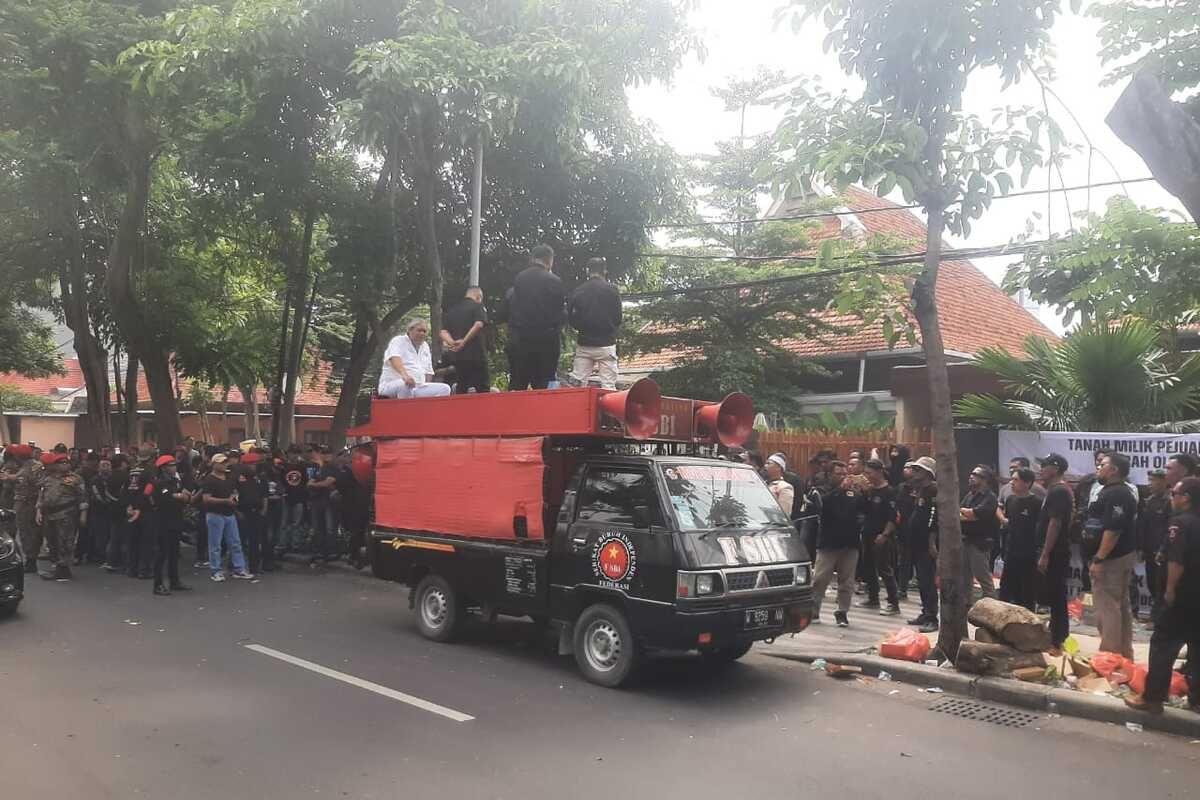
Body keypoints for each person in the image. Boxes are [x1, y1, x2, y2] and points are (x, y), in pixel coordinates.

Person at [1126, 477, 1200, 714]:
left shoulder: (1180, 524)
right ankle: (1196, 700)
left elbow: (1176, 561)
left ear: (1186, 498)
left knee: (1162, 646)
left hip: (1181, 597)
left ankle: (1153, 698)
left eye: (1175, 494)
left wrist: (1169, 590)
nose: (1172, 497)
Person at [1086, 452, 1139, 659]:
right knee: (1120, 607)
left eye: (1103, 464)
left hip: (1111, 559)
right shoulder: (1113, 491)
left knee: (1107, 608)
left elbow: (1113, 530)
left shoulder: (1118, 493)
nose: (1098, 466)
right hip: (1116, 557)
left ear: (1114, 470)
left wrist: (1099, 558)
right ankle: (1124, 655)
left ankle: (1109, 657)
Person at [811, 463, 864, 627]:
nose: (842, 476)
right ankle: (813, 610)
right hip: (828, 543)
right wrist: (840, 490)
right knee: (820, 579)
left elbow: (862, 510)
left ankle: (842, 612)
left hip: (850, 543)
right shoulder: (821, 491)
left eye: (844, 474)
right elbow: (824, 507)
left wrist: (867, 493)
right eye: (838, 474)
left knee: (847, 581)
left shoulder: (854, 494)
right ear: (831, 474)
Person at [508, 245, 567, 391]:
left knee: (519, 383)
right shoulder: (554, 280)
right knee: (544, 385)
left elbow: (514, 306)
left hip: (522, 340)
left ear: (532, 258)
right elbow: (560, 312)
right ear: (550, 260)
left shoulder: (519, 278)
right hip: (547, 342)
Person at [1034, 454, 1074, 649]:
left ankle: (1058, 637)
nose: (1041, 469)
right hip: (1053, 550)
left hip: (1055, 552)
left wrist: (1045, 554)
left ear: (1056, 469)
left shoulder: (1059, 491)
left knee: (1056, 594)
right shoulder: (1055, 490)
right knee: (1052, 593)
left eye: (1045, 465)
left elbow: (1055, 523)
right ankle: (1057, 633)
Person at [568, 257, 622, 388]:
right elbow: (618, 318)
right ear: (605, 271)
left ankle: (577, 408)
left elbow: (571, 317)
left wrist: (581, 327)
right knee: (608, 386)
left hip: (584, 344)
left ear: (588, 271)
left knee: (577, 385)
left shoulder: (578, 290)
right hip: (606, 344)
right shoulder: (612, 290)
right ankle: (608, 409)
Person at [34, 452, 87, 581]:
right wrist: (38, 511)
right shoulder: (48, 479)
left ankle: (64, 569)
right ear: (55, 465)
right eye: (61, 463)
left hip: (66, 513)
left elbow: (83, 497)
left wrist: (83, 515)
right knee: (52, 541)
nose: (65, 465)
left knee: (65, 541)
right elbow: (42, 496)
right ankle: (57, 565)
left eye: (66, 462)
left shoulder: (75, 479)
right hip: (49, 514)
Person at [202, 454, 254, 582]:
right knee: (215, 545)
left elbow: (235, 491)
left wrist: (234, 499)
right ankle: (216, 571)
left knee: (235, 543)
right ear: (214, 464)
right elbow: (206, 498)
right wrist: (225, 501)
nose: (224, 464)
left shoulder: (230, 477)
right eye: (221, 462)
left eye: (225, 461)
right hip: (215, 515)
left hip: (229, 514)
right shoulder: (209, 479)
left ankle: (239, 569)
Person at [903, 456, 939, 633]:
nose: (914, 473)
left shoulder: (933, 490)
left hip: (926, 543)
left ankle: (932, 617)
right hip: (916, 541)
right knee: (921, 580)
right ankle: (925, 612)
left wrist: (932, 543)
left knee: (928, 579)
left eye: (917, 470)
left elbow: (934, 517)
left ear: (927, 473)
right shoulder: (920, 490)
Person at [861, 458, 901, 615]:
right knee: (868, 566)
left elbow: (893, 517)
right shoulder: (870, 490)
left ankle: (893, 602)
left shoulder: (889, 492)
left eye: (869, 473)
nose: (867, 476)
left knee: (884, 569)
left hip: (882, 535)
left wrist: (885, 534)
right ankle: (873, 598)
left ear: (878, 472)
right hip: (868, 533)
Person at [999, 467, 1042, 611]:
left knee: (1027, 592)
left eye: (1016, 480)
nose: (1012, 483)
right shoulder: (1010, 499)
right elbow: (1007, 520)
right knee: (1006, 589)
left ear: (1027, 483)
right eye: (1011, 479)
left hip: (1028, 554)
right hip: (1011, 551)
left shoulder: (1036, 502)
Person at [149, 455, 192, 596]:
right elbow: (166, 498)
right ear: (163, 468)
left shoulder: (175, 481)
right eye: (171, 465)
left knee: (174, 553)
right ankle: (158, 584)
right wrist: (179, 496)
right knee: (161, 554)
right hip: (162, 521)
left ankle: (174, 581)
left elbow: (184, 496)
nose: (174, 467)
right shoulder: (159, 482)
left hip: (176, 519)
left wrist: (180, 496)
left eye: (174, 465)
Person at [378, 318, 452, 399]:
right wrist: (405, 376)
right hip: (392, 385)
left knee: (444, 389)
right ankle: (407, 411)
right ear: (410, 330)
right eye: (419, 330)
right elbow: (394, 358)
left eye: (424, 331)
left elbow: (428, 371)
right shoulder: (399, 340)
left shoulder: (425, 346)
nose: (422, 333)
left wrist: (426, 387)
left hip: (417, 387)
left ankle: (431, 411)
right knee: (405, 385)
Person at [440, 286, 490, 394]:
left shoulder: (452, 310)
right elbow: (478, 324)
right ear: (478, 297)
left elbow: (443, 332)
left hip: (459, 357)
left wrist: (453, 343)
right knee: (483, 388)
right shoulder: (478, 306)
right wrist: (464, 341)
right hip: (477, 354)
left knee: (461, 387)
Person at [959, 465, 999, 600]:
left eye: (975, 475)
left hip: (980, 543)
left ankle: (990, 605)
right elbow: (960, 513)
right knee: (964, 577)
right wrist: (967, 514)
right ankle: (965, 606)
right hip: (966, 540)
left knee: (983, 577)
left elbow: (975, 514)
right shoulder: (970, 495)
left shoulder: (990, 497)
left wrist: (967, 513)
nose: (971, 477)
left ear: (985, 479)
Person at [1139, 468, 1172, 603]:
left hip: (1163, 553)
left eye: (1153, 480)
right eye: (1149, 480)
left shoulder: (1171, 501)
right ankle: (1156, 618)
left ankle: (1160, 620)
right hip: (1149, 551)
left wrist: (1163, 549)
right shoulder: (1149, 501)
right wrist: (1141, 548)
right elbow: (1144, 527)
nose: (1149, 484)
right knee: (1152, 584)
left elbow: (1170, 529)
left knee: (1162, 587)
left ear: (1164, 481)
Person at [11, 444, 43, 574]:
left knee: (27, 533)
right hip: (33, 504)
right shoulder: (36, 465)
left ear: (18, 456)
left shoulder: (26, 469)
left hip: (27, 504)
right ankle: (31, 559)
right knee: (34, 532)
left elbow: (29, 486)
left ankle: (30, 560)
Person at [236, 452, 269, 575]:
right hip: (243, 512)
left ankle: (254, 567)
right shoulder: (238, 477)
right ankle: (237, 566)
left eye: (254, 463)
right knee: (239, 540)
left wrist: (264, 510)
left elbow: (265, 495)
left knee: (255, 541)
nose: (252, 466)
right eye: (249, 464)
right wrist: (237, 511)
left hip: (257, 512)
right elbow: (233, 495)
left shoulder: (260, 477)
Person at [307, 445, 338, 567]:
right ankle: (321, 552)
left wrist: (316, 485)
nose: (326, 455)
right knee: (318, 528)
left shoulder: (333, 467)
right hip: (317, 501)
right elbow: (310, 482)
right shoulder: (320, 468)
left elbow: (328, 482)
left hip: (329, 502)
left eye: (328, 453)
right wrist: (318, 484)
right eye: (324, 453)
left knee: (330, 528)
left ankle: (331, 552)